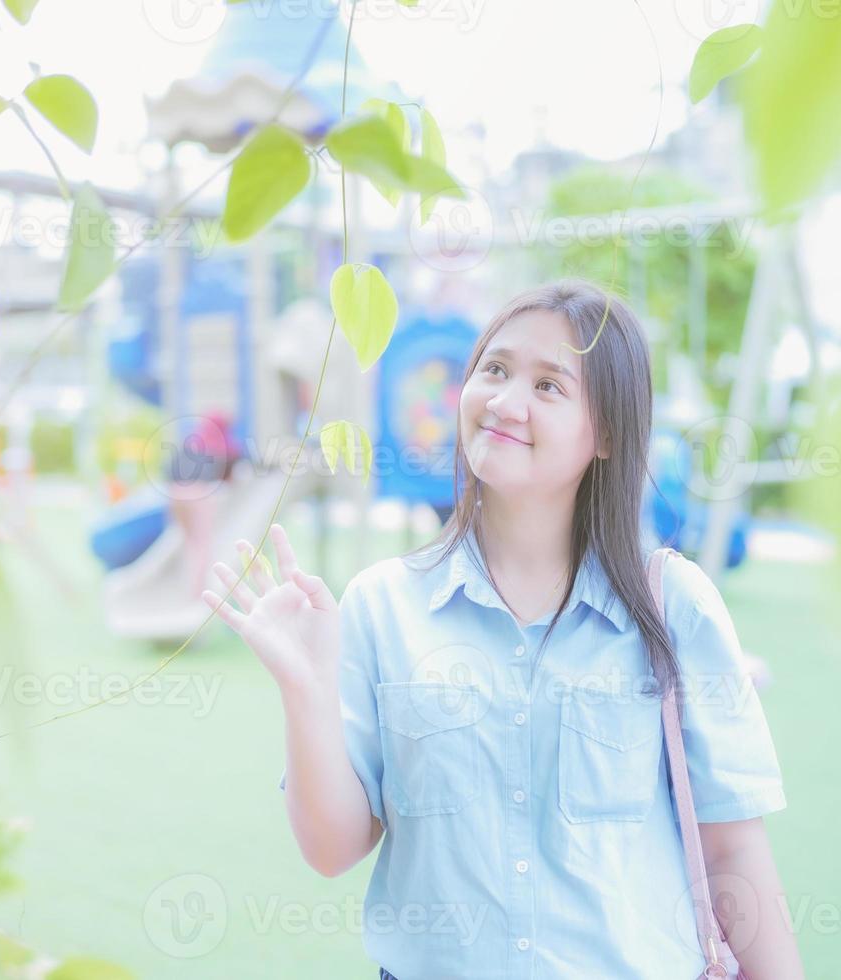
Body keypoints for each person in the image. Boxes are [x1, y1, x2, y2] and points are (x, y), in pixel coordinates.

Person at [203, 280, 805, 979]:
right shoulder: (382, 605)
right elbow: (334, 849)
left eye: (549, 386)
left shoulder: (674, 606)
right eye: (495, 369)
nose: (506, 401)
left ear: (606, 432)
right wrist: (304, 693)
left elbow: (734, 854)